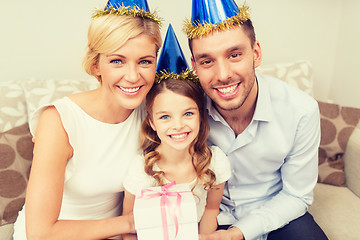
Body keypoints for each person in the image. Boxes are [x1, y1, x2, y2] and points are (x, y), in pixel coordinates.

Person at [12, 0, 162, 239]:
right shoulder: (59, 121)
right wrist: (131, 223)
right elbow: (40, 233)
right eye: (117, 61)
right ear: (95, 65)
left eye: (145, 61)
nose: (133, 77)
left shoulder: (154, 111)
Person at [183, 0, 328, 240]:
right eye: (207, 61)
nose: (223, 75)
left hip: (275, 214)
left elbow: (297, 195)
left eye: (235, 54)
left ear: (256, 54)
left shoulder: (301, 111)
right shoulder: (184, 109)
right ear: (195, 67)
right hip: (207, 216)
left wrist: (239, 233)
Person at [121, 25, 231, 239]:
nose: (178, 125)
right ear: (152, 122)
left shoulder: (214, 162)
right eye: (165, 117)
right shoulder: (143, 169)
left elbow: (210, 211)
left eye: (188, 114)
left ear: (201, 114)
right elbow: (128, 227)